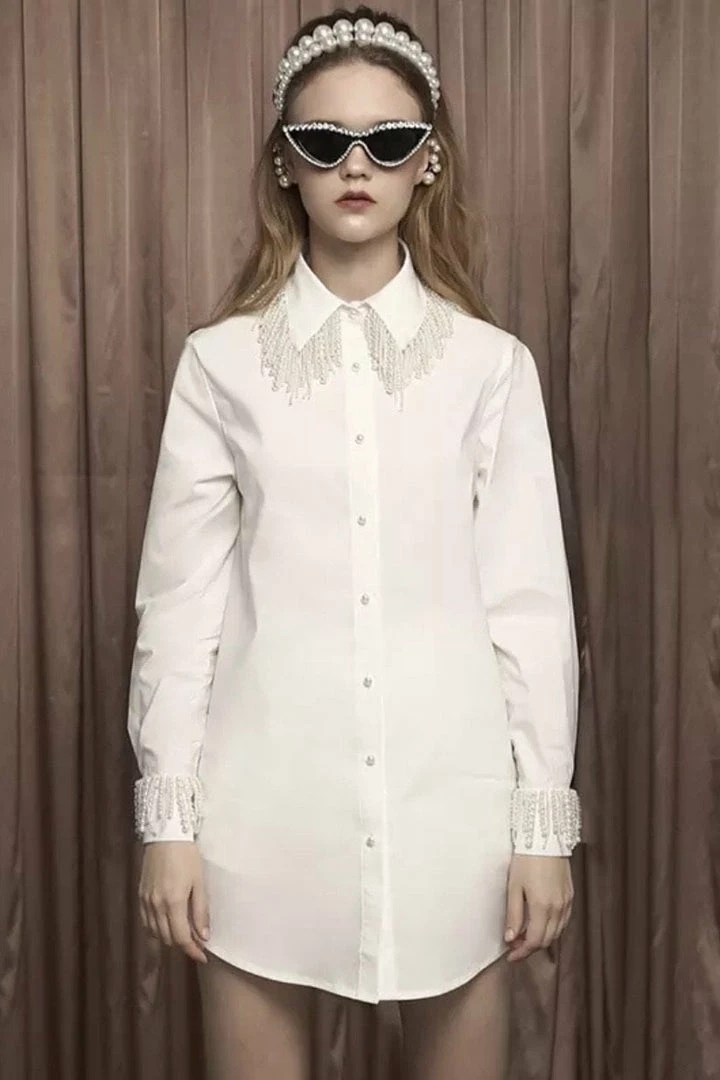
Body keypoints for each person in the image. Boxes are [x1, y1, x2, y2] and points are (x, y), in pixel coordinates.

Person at [127, 6, 582, 1078]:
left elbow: (529, 608)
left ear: (430, 161)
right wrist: (169, 821)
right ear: (285, 163)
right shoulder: (219, 365)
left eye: (390, 138)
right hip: (262, 817)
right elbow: (180, 607)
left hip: (453, 816)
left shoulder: (492, 368)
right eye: (325, 139)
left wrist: (541, 827)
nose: (356, 165)